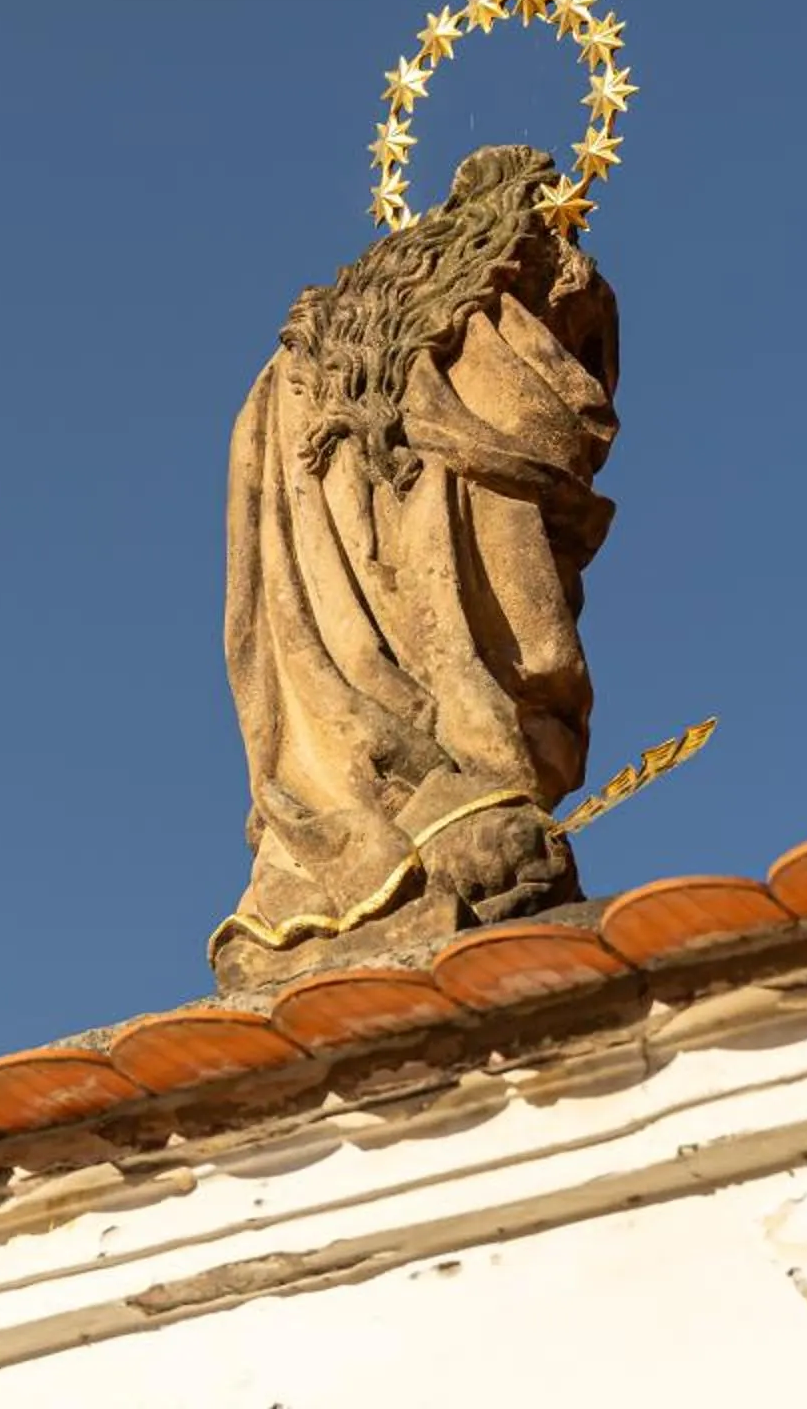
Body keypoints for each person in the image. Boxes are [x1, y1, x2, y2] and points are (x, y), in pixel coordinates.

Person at [213, 146, 619, 989]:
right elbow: (545, 431)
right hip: (455, 714)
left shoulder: (287, 369)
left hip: (329, 730)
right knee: (494, 717)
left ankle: (360, 820)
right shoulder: (484, 316)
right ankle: (460, 799)